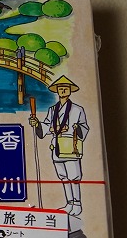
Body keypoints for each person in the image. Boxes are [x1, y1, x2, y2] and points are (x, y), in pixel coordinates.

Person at [29, 75, 89, 217]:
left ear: (70, 91)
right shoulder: (52, 110)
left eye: (65, 88)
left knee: (74, 177)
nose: (62, 90)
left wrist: (76, 128)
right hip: (56, 146)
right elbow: (46, 126)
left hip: (70, 146)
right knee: (63, 177)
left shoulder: (77, 109)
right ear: (57, 90)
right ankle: (69, 203)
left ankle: (77, 204)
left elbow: (84, 127)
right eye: (60, 88)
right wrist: (37, 124)